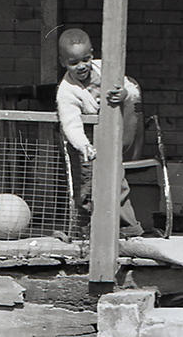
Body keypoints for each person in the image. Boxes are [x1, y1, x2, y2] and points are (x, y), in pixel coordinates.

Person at [56, 28, 144, 238]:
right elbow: (71, 123)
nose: (82, 66)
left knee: (117, 181)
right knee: (89, 185)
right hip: (88, 143)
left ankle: (128, 229)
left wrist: (123, 93)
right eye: (74, 63)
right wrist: (83, 145)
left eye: (85, 59)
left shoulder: (106, 68)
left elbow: (132, 90)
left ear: (92, 54)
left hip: (114, 136)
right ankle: (86, 231)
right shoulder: (67, 91)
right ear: (63, 63)